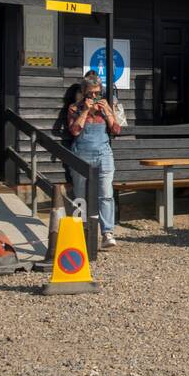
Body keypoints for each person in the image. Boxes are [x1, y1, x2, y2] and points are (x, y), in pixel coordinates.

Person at [67, 73, 121, 249]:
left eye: (97, 93)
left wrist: (108, 112)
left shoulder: (105, 107)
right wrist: (85, 111)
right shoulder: (74, 109)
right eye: (90, 93)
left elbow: (116, 130)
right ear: (83, 92)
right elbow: (74, 131)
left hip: (104, 154)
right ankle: (79, 232)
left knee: (106, 194)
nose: (94, 96)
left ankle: (107, 233)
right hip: (81, 155)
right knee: (80, 196)